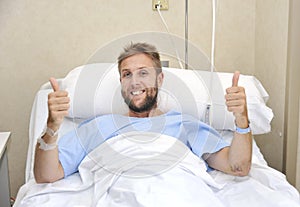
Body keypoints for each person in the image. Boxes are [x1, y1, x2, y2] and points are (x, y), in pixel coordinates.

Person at [34, 42, 252, 183]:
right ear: (121, 82)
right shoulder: (98, 126)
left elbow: (238, 167)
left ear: (160, 79)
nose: (134, 81)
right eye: (127, 74)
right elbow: (46, 175)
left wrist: (242, 120)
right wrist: (51, 128)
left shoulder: (185, 125)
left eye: (143, 73)